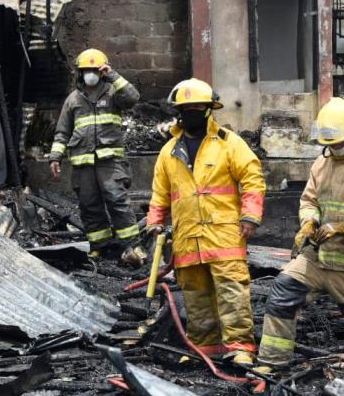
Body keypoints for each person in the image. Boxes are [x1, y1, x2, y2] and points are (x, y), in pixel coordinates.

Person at [255, 97, 344, 373]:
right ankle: (272, 364)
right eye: (328, 145)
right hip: (318, 258)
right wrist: (309, 222)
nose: (332, 149)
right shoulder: (321, 165)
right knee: (283, 292)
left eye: (337, 143)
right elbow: (309, 201)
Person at [146, 78, 265, 367]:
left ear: (209, 110)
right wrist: (155, 223)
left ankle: (240, 348)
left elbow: (252, 179)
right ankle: (205, 349)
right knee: (195, 297)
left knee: (231, 293)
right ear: (178, 111)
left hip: (224, 235)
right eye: (186, 108)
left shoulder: (228, 143)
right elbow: (160, 195)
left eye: (198, 108)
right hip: (187, 239)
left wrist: (250, 216)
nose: (192, 113)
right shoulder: (169, 152)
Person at [48, 48, 142, 263]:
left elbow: (132, 98)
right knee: (89, 205)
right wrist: (55, 157)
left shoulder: (113, 93)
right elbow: (62, 132)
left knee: (117, 200)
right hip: (83, 165)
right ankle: (101, 247)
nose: (90, 73)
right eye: (86, 70)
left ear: (101, 71)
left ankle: (132, 247)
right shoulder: (73, 100)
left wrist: (114, 76)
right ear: (80, 73)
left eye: (94, 69)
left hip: (110, 162)